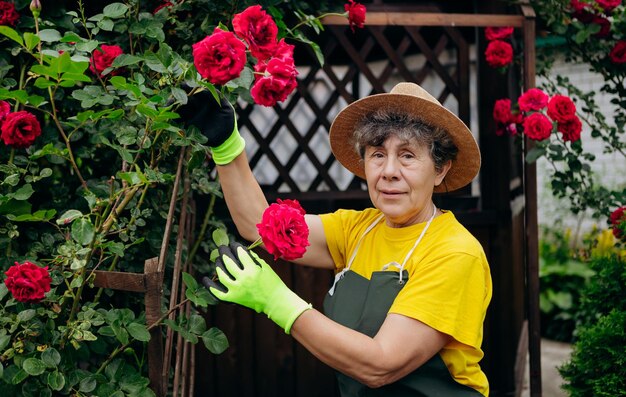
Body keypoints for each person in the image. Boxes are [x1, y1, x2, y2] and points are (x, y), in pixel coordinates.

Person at [189, 82, 492, 396]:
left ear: (440, 170)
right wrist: (226, 144)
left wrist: (276, 300)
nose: (388, 171)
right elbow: (261, 228)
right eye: (377, 154)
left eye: (407, 156)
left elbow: (381, 364)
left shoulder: (455, 252)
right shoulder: (359, 229)